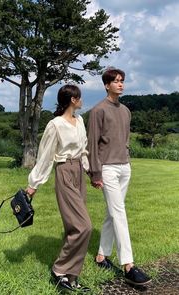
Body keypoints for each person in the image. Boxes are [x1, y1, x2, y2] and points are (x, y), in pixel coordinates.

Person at [87, 67, 151, 286]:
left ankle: (101, 256)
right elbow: (91, 144)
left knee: (111, 214)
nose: (120, 84)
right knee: (119, 213)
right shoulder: (98, 111)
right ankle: (128, 265)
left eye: (122, 81)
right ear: (107, 85)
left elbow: (125, 138)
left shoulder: (125, 110)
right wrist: (95, 173)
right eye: (116, 81)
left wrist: (128, 158)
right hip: (107, 169)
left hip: (125, 168)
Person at [26, 84, 92, 293]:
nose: (82, 101)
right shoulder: (55, 124)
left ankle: (71, 277)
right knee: (84, 226)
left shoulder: (80, 120)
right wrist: (33, 185)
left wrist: (91, 172)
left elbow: (83, 150)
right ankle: (58, 270)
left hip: (79, 172)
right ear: (73, 100)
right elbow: (45, 155)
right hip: (64, 171)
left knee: (74, 227)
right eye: (79, 97)